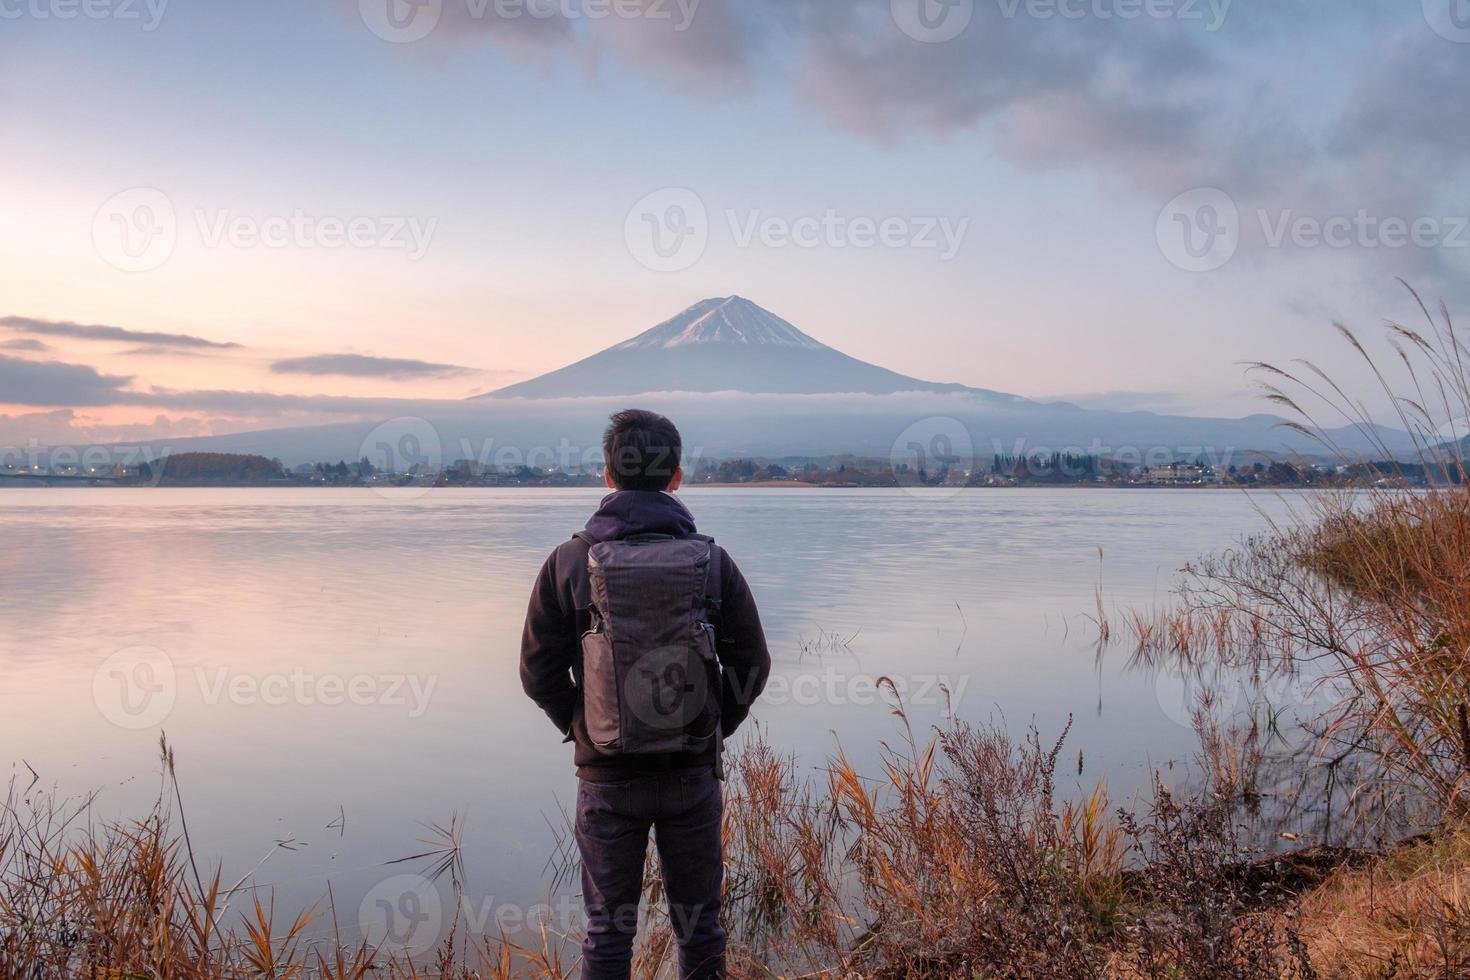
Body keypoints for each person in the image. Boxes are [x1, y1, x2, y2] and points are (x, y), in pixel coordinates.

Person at [520, 409, 771, 980]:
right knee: (700, 927)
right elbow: (752, 666)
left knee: (608, 934)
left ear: (607, 476)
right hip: (690, 774)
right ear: (676, 478)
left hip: (607, 778)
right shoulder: (712, 562)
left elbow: (537, 671)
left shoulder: (569, 561)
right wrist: (711, 727)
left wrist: (584, 725)